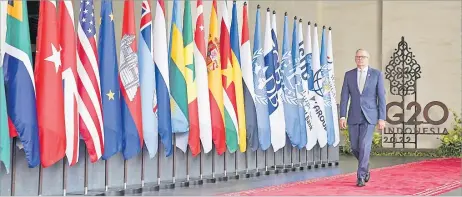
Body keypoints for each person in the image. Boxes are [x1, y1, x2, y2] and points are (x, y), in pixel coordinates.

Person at [339, 49, 386, 187]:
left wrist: (382, 118)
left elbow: (381, 98)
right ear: (355, 59)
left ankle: (360, 176)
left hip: (370, 116)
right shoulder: (349, 75)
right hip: (353, 115)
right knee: (354, 146)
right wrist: (342, 116)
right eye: (358, 57)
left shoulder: (377, 74)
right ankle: (365, 166)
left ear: (368, 59)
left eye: (363, 57)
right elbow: (344, 97)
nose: (360, 59)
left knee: (364, 145)